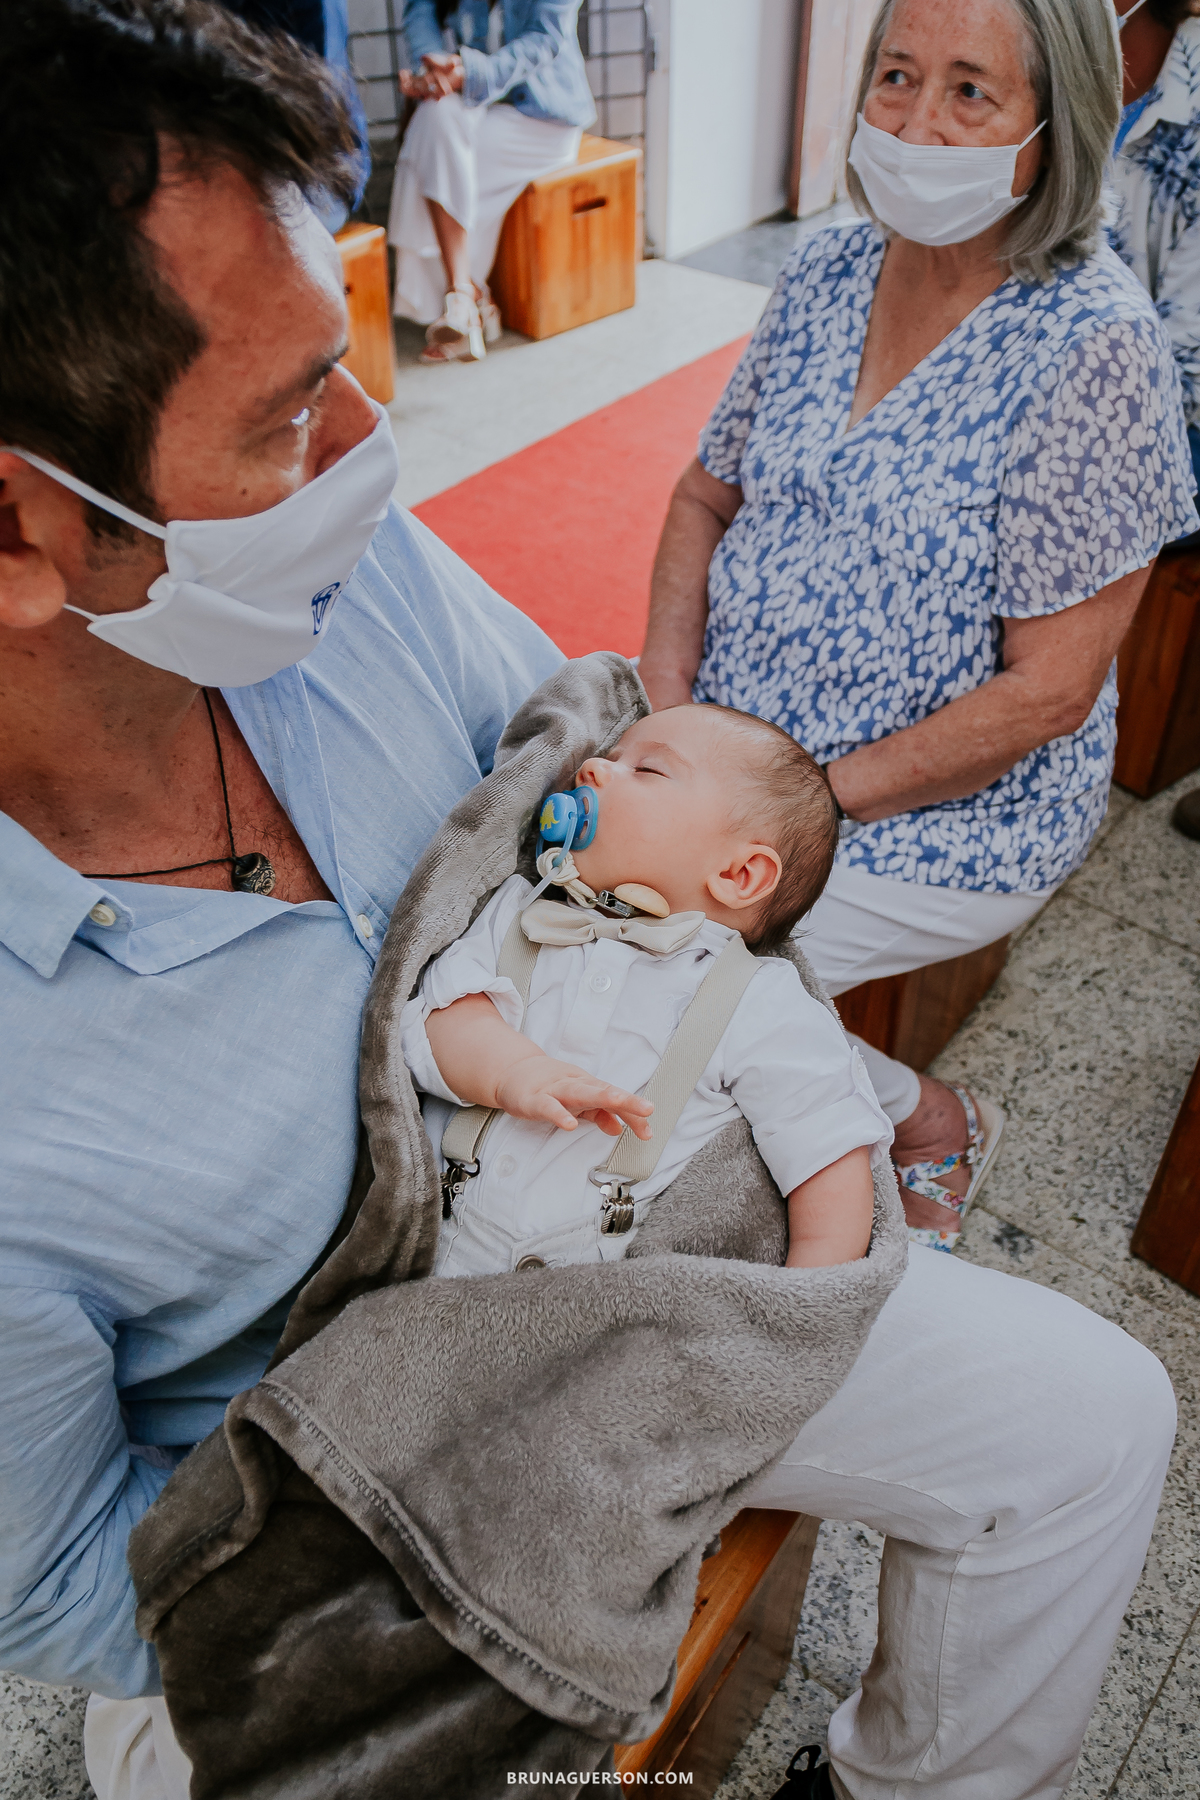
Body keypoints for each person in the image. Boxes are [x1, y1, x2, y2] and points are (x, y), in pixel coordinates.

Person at [0, 3, 1177, 1798]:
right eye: (284, 412)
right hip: (372, 1464)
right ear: (23, 532)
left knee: (1100, 1421)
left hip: (644, 1234)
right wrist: (457, 1535)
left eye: (346, 356)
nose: (370, 441)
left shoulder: (341, 583)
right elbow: (59, 1580)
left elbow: (593, 735)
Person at [639, 0, 1200, 1263]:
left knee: (679, 966)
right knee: (590, 878)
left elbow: (1048, 695)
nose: (915, 121)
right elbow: (703, 495)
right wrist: (665, 699)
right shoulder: (832, 269)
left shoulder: (1094, 349)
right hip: (735, 731)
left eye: (969, 93)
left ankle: (928, 1119)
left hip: (942, 808)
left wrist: (804, 804)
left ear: (1056, 129)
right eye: (896, 76)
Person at [406, 705, 889, 1277]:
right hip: (433, 1243)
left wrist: (802, 1303)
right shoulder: (519, 911)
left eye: (648, 771)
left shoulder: (758, 1000)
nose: (591, 770)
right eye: (608, 757)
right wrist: (512, 1072)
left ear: (739, 876)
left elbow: (827, 1150)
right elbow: (438, 1017)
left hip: (599, 1278)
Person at [387, 0, 593, 362]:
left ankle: (469, 301)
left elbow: (545, 39)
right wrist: (435, 64)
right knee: (435, 119)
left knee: (433, 153)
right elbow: (420, 8)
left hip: (540, 116)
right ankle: (464, 296)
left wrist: (466, 73)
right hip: (472, 102)